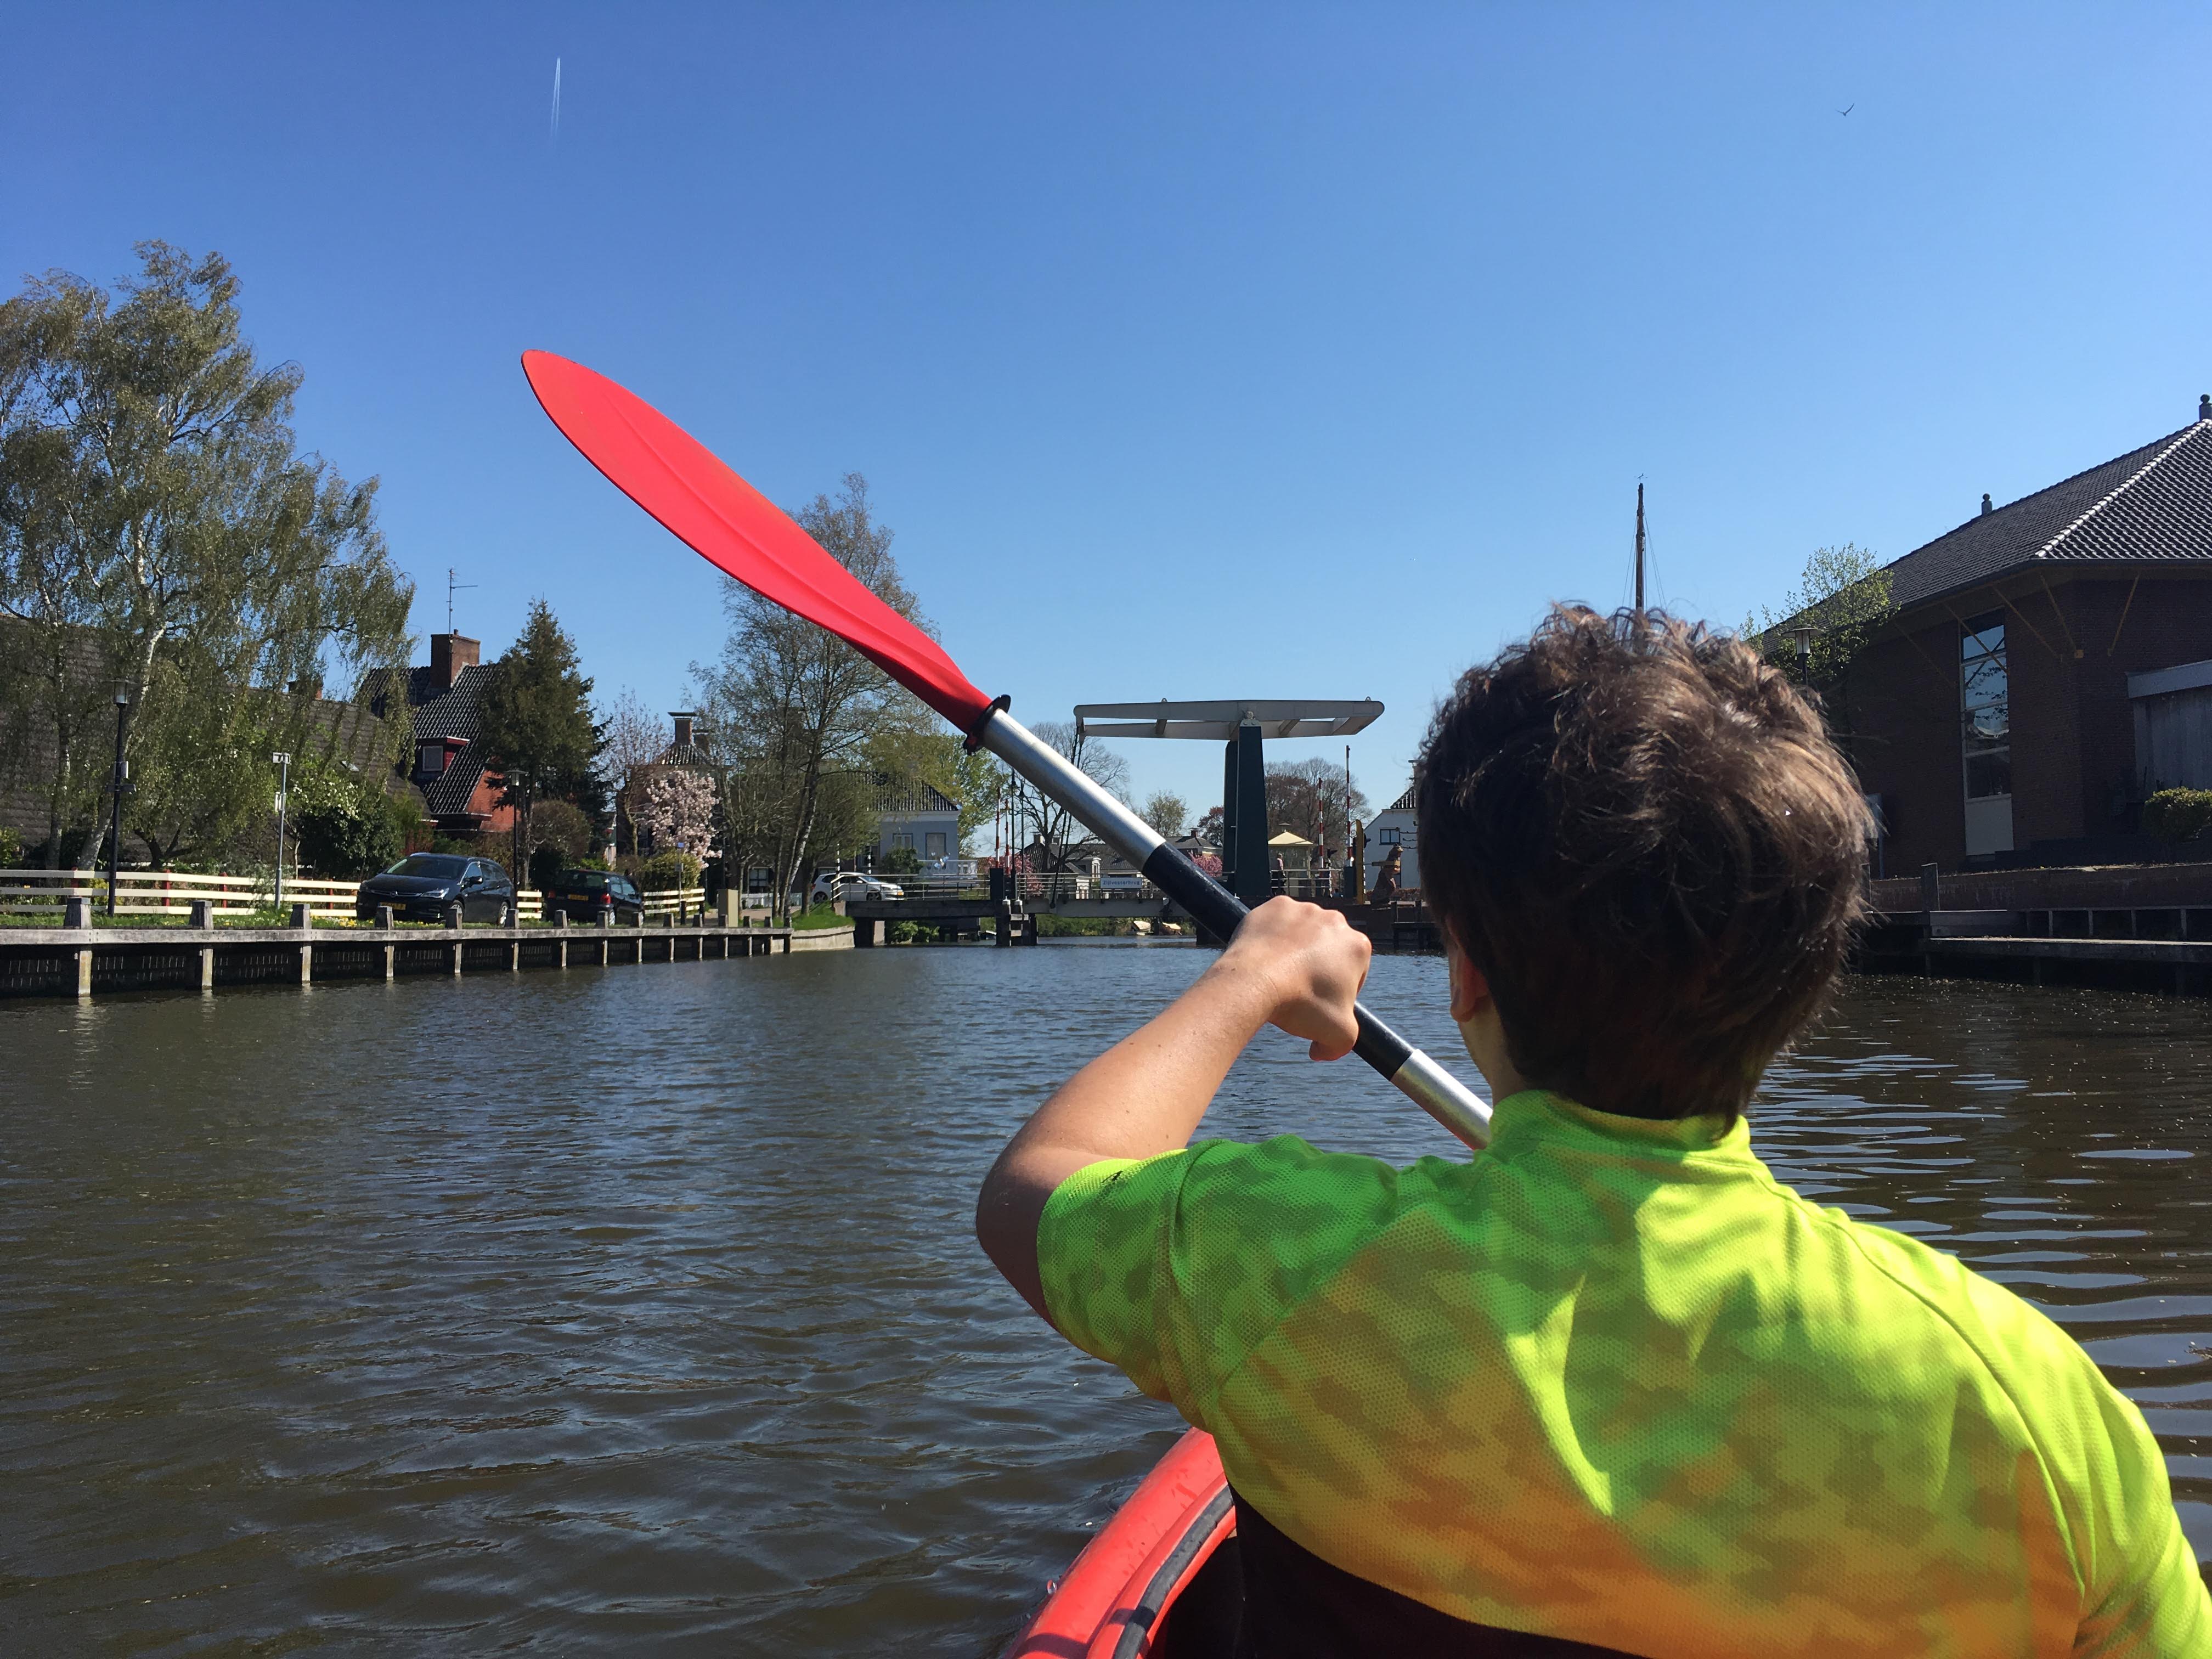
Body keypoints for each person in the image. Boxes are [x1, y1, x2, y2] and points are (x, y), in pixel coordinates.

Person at [977, 607, 2208, 1657]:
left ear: (1462, 973)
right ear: (1803, 983)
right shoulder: (2038, 1416)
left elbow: (1039, 1184)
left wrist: (1246, 978)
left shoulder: (1279, 1268)